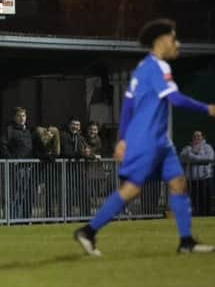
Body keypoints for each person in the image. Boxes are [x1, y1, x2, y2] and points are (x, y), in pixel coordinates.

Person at [74, 19, 215, 256]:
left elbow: (128, 104)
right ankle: (88, 231)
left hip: (160, 141)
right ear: (161, 40)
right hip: (147, 139)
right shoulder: (157, 68)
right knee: (131, 190)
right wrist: (207, 108)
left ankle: (186, 241)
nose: (176, 43)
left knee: (178, 183)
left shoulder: (143, 68)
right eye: (173, 38)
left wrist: (121, 139)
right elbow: (176, 99)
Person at [180, 131, 214, 216]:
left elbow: (210, 158)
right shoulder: (187, 148)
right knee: (192, 201)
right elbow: (182, 158)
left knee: (205, 200)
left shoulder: (207, 147)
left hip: (205, 178)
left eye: (199, 136)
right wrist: (199, 158)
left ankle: (206, 216)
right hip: (191, 180)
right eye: (195, 136)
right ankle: (194, 216)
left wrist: (192, 157)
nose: (197, 137)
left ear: (202, 137)